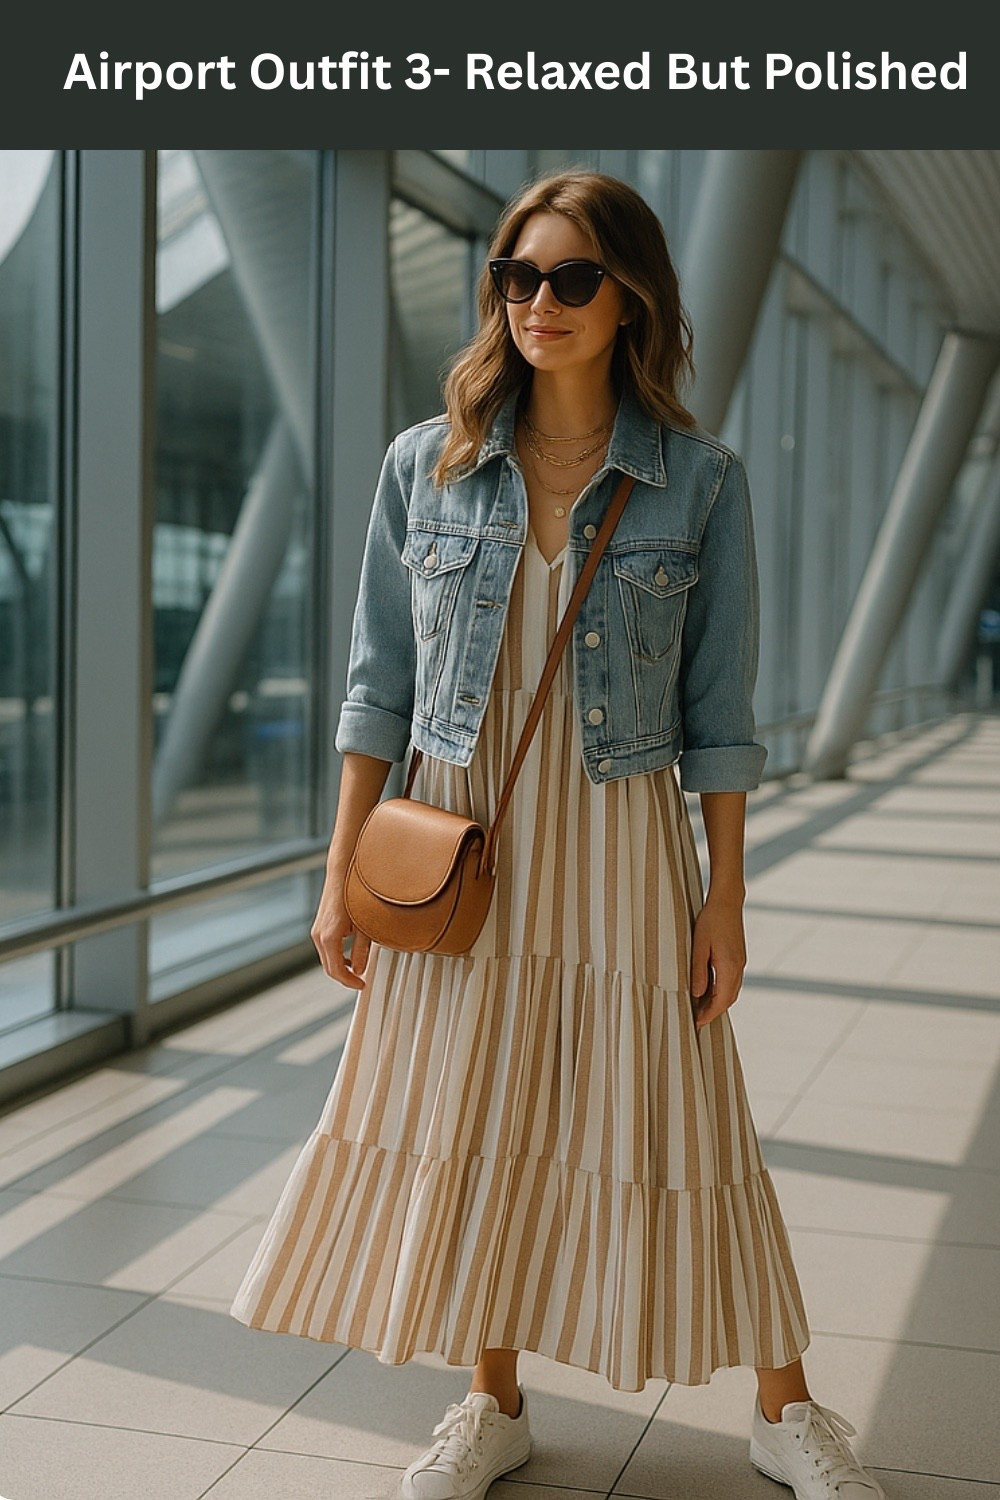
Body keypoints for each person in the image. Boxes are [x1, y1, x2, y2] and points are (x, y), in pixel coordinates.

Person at [229, 169, 885, 1500]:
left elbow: (722, 717)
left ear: (632, 294)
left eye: (572, 277)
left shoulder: (696, 482)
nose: (539, 303)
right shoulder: (431, 463)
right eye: (518, 278)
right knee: (477, 1117)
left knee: (688, 1123)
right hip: (455, 841)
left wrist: (727, 899)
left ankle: (786, 1407)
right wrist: (340, 875)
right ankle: (492, 1403)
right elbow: (375, 688)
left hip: (622, 844)